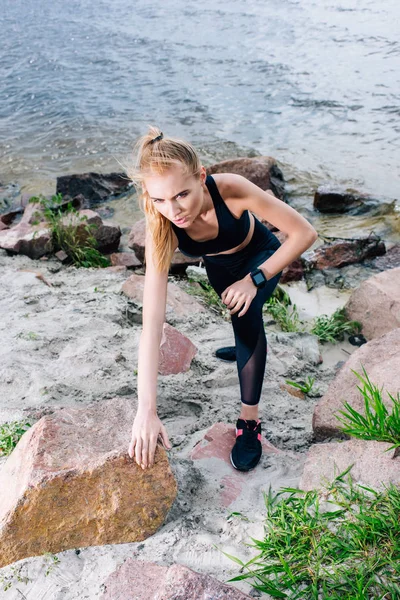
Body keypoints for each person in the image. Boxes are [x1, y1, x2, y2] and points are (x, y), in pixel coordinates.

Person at [127, 126, 318, 473]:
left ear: (201, 177)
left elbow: (304, 232)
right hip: (219, 268)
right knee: (237, 315)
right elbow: (151, 325)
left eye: (182, 194)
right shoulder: (161, 224)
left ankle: (250, 424)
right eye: (159, 199)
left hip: (259, 257)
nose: (174, 209)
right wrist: (146, 410)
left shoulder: (230, 189)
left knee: (246, 318)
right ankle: (243, 348)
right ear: (148, 193)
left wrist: (254, 279)